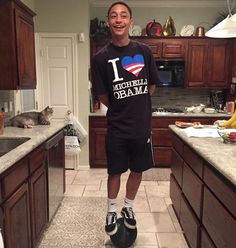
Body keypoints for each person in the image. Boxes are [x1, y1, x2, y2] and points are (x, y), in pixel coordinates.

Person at [91, 1, 159, 236]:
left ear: (130, 21)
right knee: (115, 172)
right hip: (117, 128)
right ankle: (111, 210)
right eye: (113, 16)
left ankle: (128, 208)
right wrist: (124, 106)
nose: (118, 19)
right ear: (108, 22)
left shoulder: (144, 51)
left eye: (123, 16)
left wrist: (135, 104)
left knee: (138, 170)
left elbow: (150, 87)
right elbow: (103, 96)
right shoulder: (100, 58)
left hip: (142, 127)